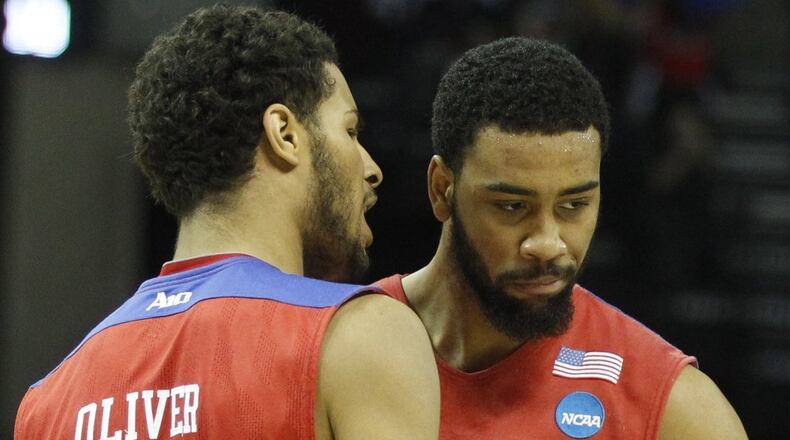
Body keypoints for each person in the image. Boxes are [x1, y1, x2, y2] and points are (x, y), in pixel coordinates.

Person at [15, 5, 439, 439]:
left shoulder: (47, 402)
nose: (371, 167)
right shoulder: (359, 335)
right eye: (350, 132)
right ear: (285, 134)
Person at [376, 37, 747, 439]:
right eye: (512, 206)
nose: (548, 243)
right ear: (441, 188)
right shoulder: (337, 351)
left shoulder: (672, 406)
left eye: (574, 205)